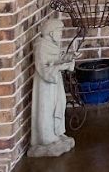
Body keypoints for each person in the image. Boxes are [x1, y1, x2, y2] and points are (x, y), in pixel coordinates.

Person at [29, 19, 76, 158]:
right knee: (47, 108)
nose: (61, 34)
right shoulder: (41, 47)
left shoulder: (52, 45)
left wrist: (69, 57)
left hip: (55, 82)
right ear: (51, 33)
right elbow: (44, 70)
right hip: (45, 86)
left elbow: (56, 58)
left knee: (58, 104)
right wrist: (61, 67)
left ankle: (57, 133)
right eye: (59, 32)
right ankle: (47, 138)